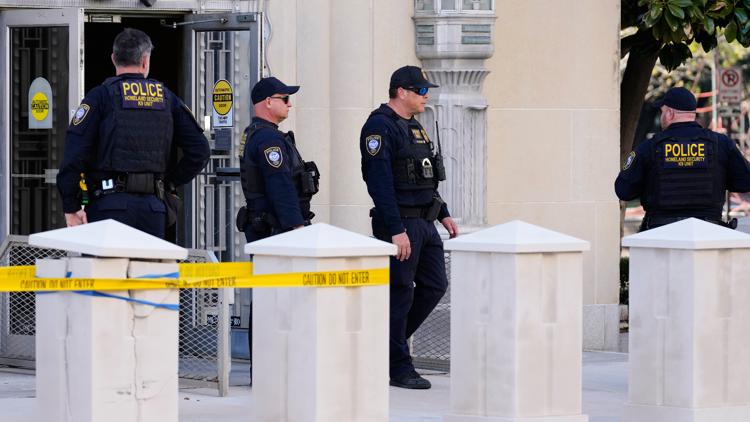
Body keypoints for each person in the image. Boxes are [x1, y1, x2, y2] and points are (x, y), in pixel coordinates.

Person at [57, 28, 210, 238]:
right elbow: (200, 151)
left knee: (107, 262)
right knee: (148, 262)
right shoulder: (167, 98)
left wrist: (71, 206)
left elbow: (74, 154)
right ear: (145, 61)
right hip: (152, 210)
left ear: (113, 58)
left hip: (108, 208)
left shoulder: (100, 97)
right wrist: (168, 183)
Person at [360, 65, 458, 390]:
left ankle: (388, 344)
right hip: (401, 223)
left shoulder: (415, 127)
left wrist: (443, 213)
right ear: (401, 92)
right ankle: (399, 367)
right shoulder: (379, 127)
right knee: (400, 293)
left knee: (435, 285)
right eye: (421, 91)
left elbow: (426, 176)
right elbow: (380, 184)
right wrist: (395, 229)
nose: (426, 97)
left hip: (425, 222)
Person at [615, 86, 750, 231]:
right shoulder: (721, 144)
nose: (661, 116)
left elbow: (623, 191)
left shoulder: (649, 147)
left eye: (662, 112)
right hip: (708, 232)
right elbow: (745, 182)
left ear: (670, 113)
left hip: (660, 233)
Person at [236, 77, 319, 242]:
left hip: (269, 227)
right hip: (276, 231)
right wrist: (297, 227)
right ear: (268, 102)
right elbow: (280, 184)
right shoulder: (268, 139)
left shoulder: (255, 133)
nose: (290, 104)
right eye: (285, 99)